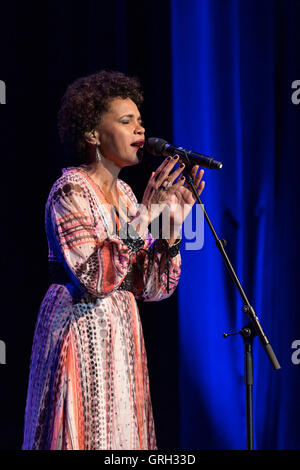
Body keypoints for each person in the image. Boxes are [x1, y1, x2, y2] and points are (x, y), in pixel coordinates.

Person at [22, 71, 205, 450]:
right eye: (126, 121)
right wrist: (145, 215)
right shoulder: (69, 190)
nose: (140, 129)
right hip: (79, 327)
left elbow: (152, 289)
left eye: (140, 121)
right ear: (92, 134)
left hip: (120, 335)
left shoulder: (124, 194)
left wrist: (171, 227)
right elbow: (94, 277)